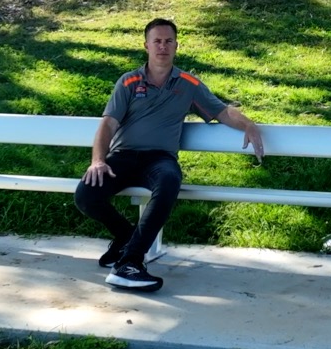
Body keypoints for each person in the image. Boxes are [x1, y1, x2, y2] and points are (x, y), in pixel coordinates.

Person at [74, 18, 266, 291]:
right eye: (157, 41)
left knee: (168, 181)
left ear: (176, 45)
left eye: (168, 41)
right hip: (124, 156)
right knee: (86, 194)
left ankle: (130, 262)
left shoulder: (187, 84)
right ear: (146, 46)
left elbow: (222, 112)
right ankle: (127, 237)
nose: (162, 46)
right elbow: (108, 125)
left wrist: (248, 124)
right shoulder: (128, 82)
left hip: (159, 159)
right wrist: (98, 161)